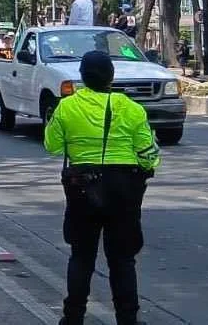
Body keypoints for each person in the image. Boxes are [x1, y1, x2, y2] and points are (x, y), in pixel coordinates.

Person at [44, 50, 160, 325]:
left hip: (82, 189)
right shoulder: (131, 109)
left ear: (82, 77)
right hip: (123, 190)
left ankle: (73, 318)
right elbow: (148, 153)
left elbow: (53, 146)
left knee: (81, 256)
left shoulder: (67, 107)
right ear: (111, 77)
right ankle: (128, 319)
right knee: (122, 259)